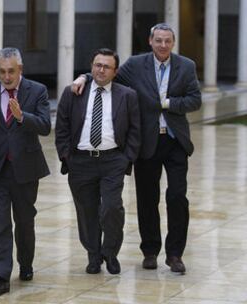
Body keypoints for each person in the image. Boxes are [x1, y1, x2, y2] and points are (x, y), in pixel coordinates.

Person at [72, 23, 202, 273]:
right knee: (147, 198)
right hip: (147, 142)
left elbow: (195, 99)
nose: (163, 45)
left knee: (177, 197)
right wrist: (84, 77)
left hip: (175, 141)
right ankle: (150, 251)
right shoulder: (135, 64)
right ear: (150, 41)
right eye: (159, 40)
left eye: (168, 41)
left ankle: (175, 254)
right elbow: (107, 73)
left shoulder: (186, 66)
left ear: (173, 43)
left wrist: (166, 103)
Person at [56, 48, 140, 275]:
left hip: (112, 160)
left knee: (112, 208)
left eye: (106, 66)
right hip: (81, 161)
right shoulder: (73, 92)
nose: (101, 70)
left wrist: (126, 158)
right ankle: (93, 255)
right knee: (87, 212)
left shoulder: (127, 95)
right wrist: (67, 156)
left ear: (115, 71)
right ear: (92, 67)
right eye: (97, 65)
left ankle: (110, 253)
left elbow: (135, 130)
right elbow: (61, 126)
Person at [0, 47, 50, 296]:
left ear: (21, 70)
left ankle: (26, 262)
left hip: (26, 170)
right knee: (0, 223)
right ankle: (1, 275)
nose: (6, 77)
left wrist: (22, 117)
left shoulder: (37, 91)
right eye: (2, 71)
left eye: (11, 71)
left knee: (24, 221)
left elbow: (45, 127)